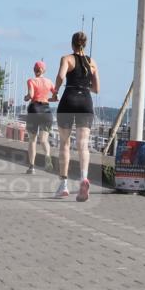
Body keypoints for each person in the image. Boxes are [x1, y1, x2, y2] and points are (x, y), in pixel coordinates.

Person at [51, 31, 99, 202]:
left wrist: (55, 92)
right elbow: (96, 88)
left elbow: (60, 76)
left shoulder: (67, 59)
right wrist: (85, 84)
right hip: (86, 101)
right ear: (84, 45)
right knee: (83, 145)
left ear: (72, 44)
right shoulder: (92, 62)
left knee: (64, 144)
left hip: (69, 99)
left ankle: (63, 185)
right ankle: (83, 178)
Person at [24, 60, 55, 174]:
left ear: (34, 70)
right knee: (43, 140)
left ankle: (32, 167)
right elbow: (57, 97)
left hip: (34, 110)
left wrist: (26, 97)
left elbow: (31, 95)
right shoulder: (49, 82)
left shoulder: (31, 81)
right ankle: (47, 156)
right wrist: (49, 99)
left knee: (32, 140)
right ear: (44, 70)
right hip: (46, 112)